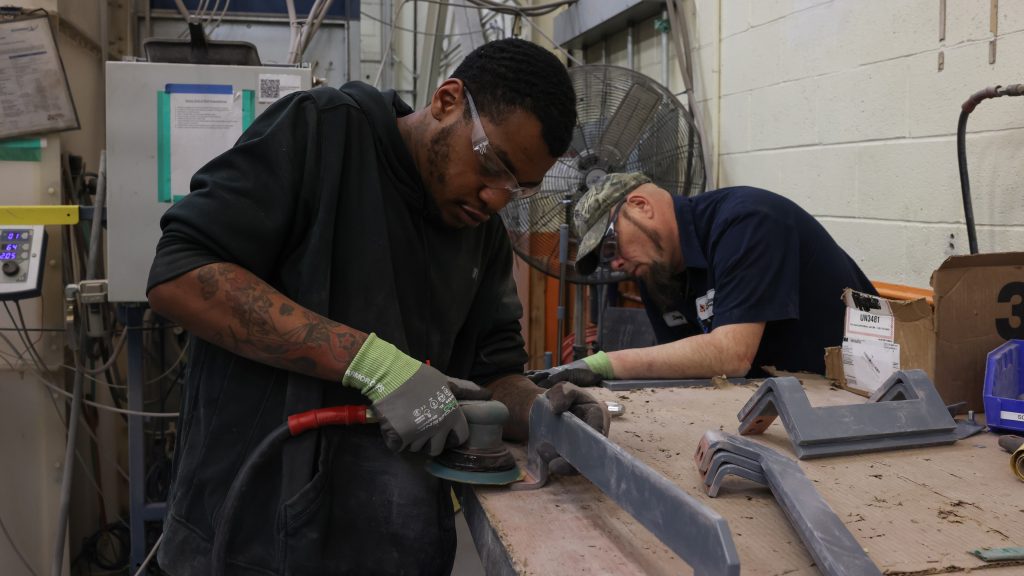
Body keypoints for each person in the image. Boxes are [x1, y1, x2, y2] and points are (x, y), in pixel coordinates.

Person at [146, 38, 609, 575]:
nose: (494, 199)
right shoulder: (323, 132)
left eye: (517, 188)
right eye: (492, 164)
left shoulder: (480, 234)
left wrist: (544, 413)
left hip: (390, 543)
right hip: (248, 535)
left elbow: (494, 371)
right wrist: (373, 364)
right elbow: (180, 274)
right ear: (447, 101)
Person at [532, 172, 877, 386]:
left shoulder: (748, 222)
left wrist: (603, 364)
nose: (617, 263)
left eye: (610, 245)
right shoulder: (656, 270)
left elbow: (730, 357)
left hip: (861, 393)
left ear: (641, 205)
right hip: (780, 402)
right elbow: (691, 369)